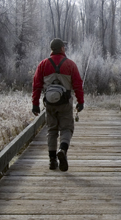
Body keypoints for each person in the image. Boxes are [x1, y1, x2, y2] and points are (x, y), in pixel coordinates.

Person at [32, 38, 84, 171]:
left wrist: (35, 104)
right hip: (65, 103)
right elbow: (77, 85)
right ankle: (63, 149)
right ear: (61, 48)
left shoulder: (43, 64)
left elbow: (36, 86)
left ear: (51, 49)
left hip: (49, 104)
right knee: (66, 128)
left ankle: (52, 161)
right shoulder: (70, 64)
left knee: (51, 130)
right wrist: (80, 102)